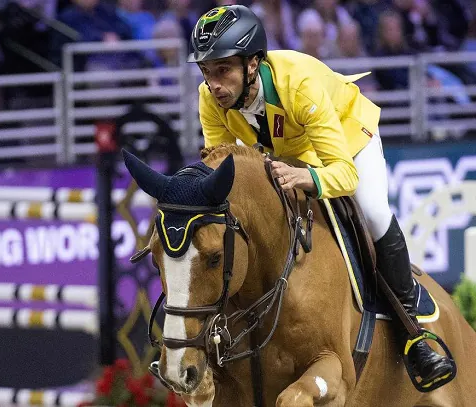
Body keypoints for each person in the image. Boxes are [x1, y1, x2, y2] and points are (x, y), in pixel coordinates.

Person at [189, 5, 454, 386]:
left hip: (346, 142)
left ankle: (415, 336)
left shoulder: (299, 84)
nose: (214, 84)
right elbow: (221, 171)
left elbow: (344, 174)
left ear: (252, 64)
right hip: (284, 155)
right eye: (206, 71)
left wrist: (306, 176)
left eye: (223, 70)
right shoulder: (209, 99)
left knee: (374, 211)